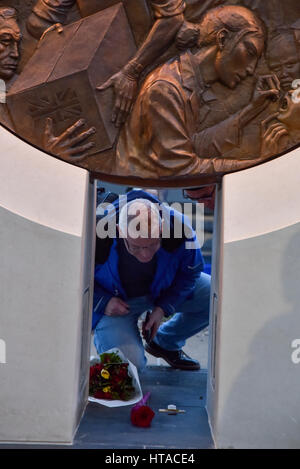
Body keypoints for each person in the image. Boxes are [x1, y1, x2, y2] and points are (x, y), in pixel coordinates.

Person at [115, 5, 281, 179]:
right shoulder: (166, 90)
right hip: (139, 197)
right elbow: (180, 170)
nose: (251, 69)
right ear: (223, 39)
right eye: (250, 52)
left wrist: (253, 109)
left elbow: (193, 146)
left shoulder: (190, 82)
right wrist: (259, 164)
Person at [93, 189, 211, 372]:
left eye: (153, 244)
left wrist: (164, 308)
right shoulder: (97, 231)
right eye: (136, 247)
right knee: (127, 369)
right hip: (116, 302)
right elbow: (71, 276)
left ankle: (164, 342)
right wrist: (102, 301)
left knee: (215, 295)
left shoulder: (179, 227)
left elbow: (190, 274)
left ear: (162, 226)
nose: (146, 254)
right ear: (119, 230)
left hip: (162, 290)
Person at [0, 6, 95, 161]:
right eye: (5, 41)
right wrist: (48, 156)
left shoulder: (8, 88)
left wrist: (50, 48)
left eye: (17, 43)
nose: (15, 53)